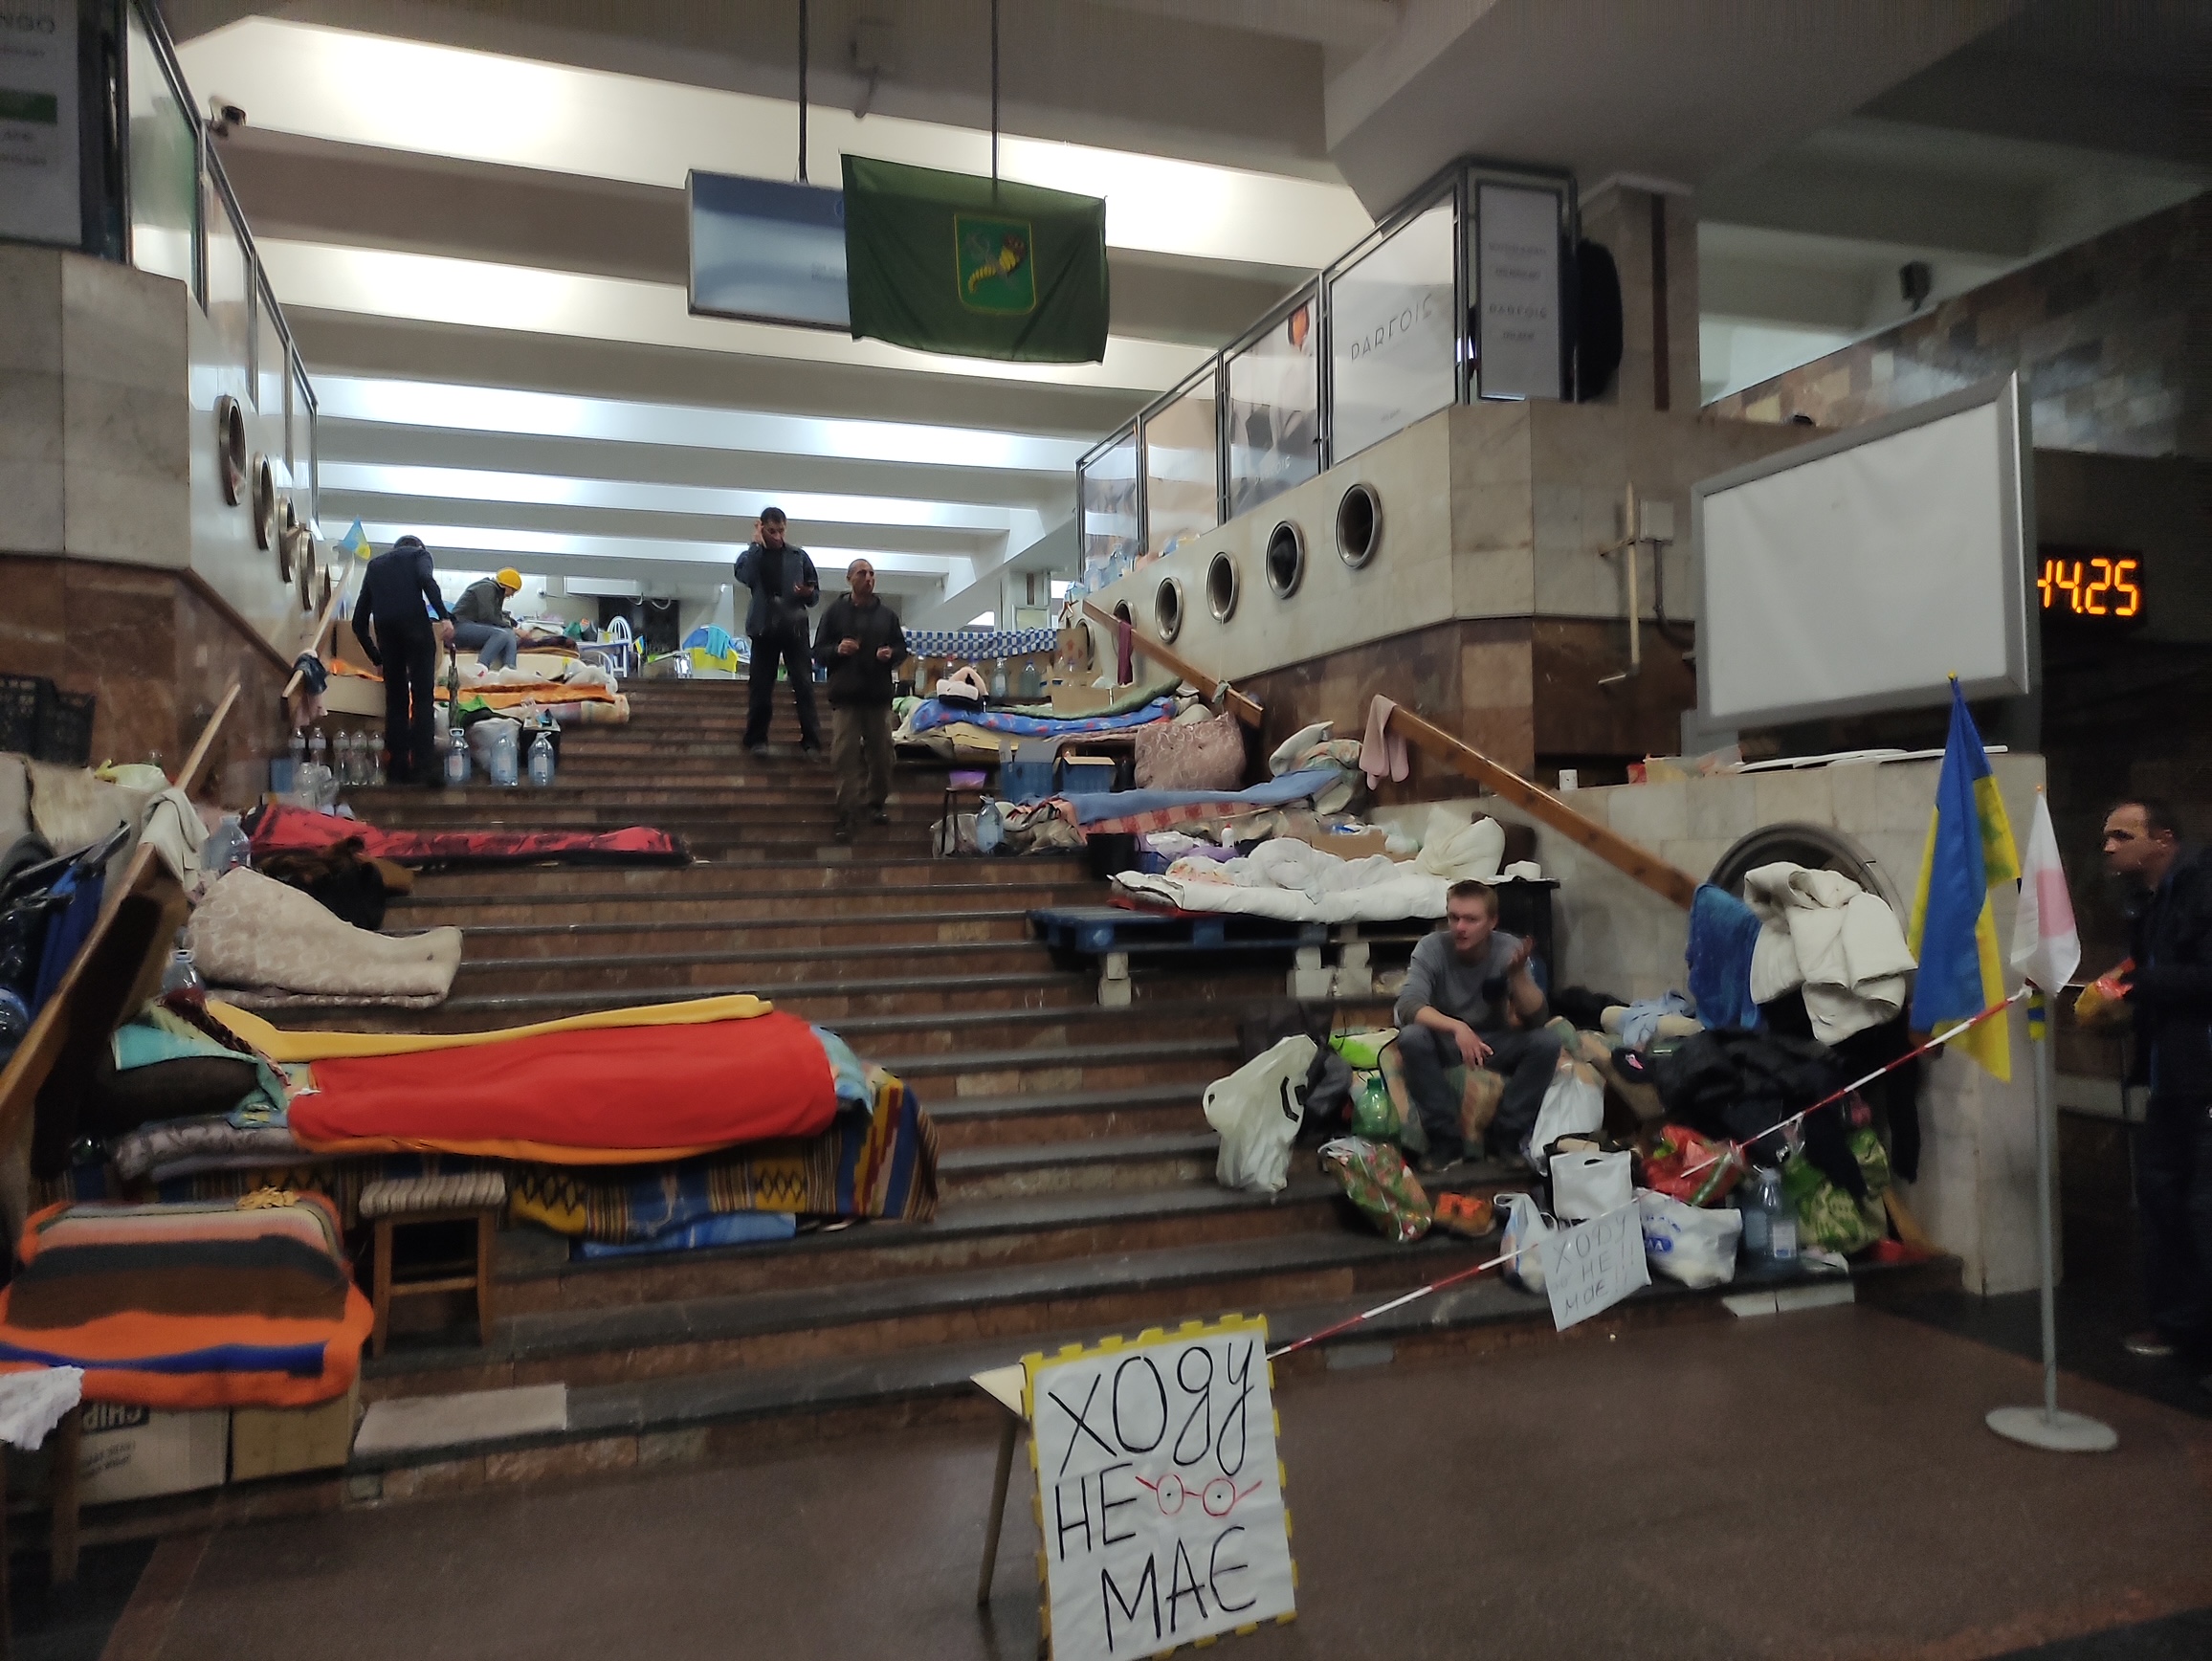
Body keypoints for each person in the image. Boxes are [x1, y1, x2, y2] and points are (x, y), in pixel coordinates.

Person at [2101, 797, 2212, 1378]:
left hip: (2205, 1076)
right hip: (2171, 1077)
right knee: (2162, 1199)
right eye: (2107, 837)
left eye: (2123, 835)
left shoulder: (2201, 888)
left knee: (2203, 1207)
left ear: (2162, 839)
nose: (2109, 847)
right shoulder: (2145, 904)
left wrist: (2139, 984)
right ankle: (2178, 1324)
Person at [1393, 879, 1560, 1172]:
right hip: (1447, 1040)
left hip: (1492, 1041)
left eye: (1471, 919)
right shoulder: (1431, 948)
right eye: (1454, 917)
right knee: (1411, 1037)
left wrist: (1519, 975)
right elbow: (1408, 1005)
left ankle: (1505, 1136)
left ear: (1492, 922)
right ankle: (1446, 1141)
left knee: (1547, 1042)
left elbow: (1537, 1017)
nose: (1460, 927)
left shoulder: (1509, 948)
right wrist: (1457, 1028)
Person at [813, 559, 907, 840]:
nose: (869, 578)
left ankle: (876, 804)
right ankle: (847, 813)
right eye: (862, 573)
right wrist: (837, 649)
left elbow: (901, 648)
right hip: (846, 697)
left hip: (877, 697)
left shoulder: (887, 616)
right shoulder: (834, 613)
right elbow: (817, 651)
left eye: (872, 573)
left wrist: (892, 654)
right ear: (849, 579)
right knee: (844, 756)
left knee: (882, 755)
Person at [350, 533, 453, 787]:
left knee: (395, 702)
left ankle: (397, 769)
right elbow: (425, 579)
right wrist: (445, 617)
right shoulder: (420, 555)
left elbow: (358, 623)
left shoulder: (375, 565)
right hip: (417, 631)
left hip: (387, 637)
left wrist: (377, 658)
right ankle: (423, 769)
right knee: (422, 699)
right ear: (418, 547)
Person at [733, 508, 822, 754]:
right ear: (761, 528)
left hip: (794, 627)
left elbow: (815, 595)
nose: (777, 536)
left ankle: (812, 740)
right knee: (761, 685)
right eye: (771, 531)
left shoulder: (798, 556)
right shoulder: (752, 556)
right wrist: (755, 545)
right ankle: (756, 738)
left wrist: (806, 593)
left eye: (781, 531)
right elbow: (745, 576)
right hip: (763, 627)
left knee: (804, 684)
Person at [452, 566, 522, 671]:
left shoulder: (494, 592)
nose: (511, 595)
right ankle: (481, 668)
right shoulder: (486, 588)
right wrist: (514, 629)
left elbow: (495, 615)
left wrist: (511, 626)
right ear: (507, 586)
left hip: (472, 626)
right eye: (513, 591)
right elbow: (487, 616)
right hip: (459, 627)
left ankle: (510, 669)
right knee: (501, 634)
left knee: (508, 632)